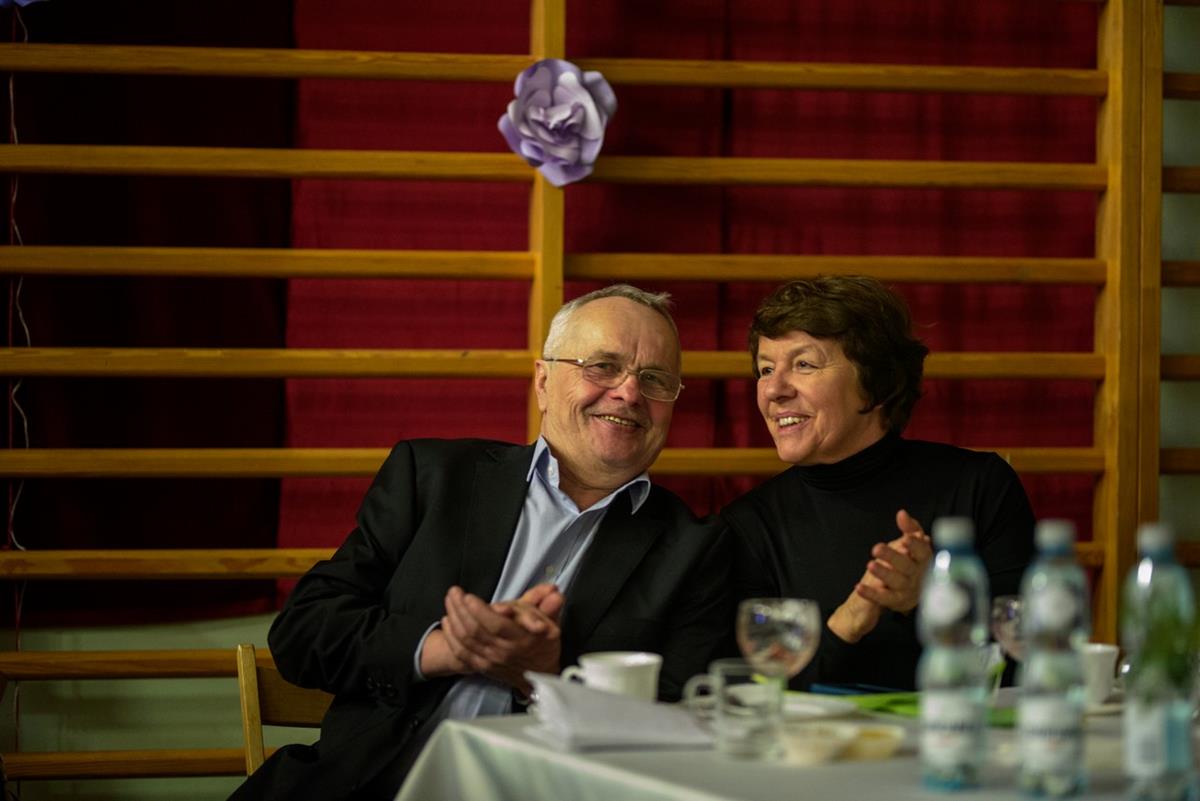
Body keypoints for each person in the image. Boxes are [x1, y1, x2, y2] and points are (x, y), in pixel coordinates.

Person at [228, 284, 733, 801]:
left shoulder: (697, 550)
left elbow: (683, 727)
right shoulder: (433, 477)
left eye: (654, 379)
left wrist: (543, 679)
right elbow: (304, 631)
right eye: (603, 366)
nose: (629, 392)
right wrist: (444, 648)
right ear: (543, 381)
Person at [722, 276, 1035, 691]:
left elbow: (1031, 662)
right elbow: (755, 691)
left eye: (804, 364)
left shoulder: (980, 486)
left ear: (877, 382)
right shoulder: (747, 526)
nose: (774, 390)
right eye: (765, 369)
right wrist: (850, 620)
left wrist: (929, 599)